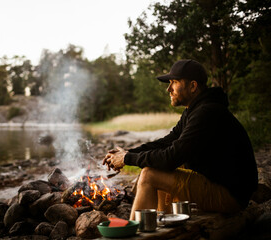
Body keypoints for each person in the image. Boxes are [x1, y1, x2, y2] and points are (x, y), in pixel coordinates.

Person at [102, 59, 258, 220]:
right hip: (216, 183)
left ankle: (136, 233)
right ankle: (164, 223)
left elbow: (171, 157)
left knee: (150, 174)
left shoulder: (207, 113)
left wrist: (127, 158)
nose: (168, 89)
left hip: (230, 196)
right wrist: (128, 153)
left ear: (192, 86)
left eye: (174, 82)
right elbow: (166, 142)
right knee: (157, 164)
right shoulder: (194, 111)